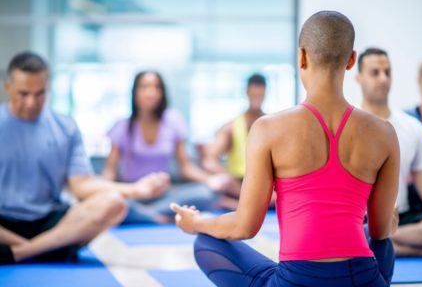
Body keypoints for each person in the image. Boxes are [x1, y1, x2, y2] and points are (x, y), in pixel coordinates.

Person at [171, 11, 399, 287]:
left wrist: (196, 223)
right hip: (363, 280)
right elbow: (381, 231)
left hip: (296, 282)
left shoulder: (268, 129)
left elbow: (244, 226)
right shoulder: (384, 133)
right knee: (381, 240)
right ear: (351, 60)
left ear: (302, 57)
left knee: (205, 242)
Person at [0, 51, 171, 264]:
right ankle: (48, 249)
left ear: (48, 87)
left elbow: (82, 186)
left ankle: (21, 252)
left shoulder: (65, 127)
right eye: (23, 94)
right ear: (8, 87)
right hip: (4, 223)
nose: (31, 102)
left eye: (39, 93)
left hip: (50, 222)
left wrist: (136, 190)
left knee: (114, 203)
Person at [102, 71, 232, 223]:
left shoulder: (173, 121)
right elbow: (110, 170)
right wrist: (103, 190)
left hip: (164, 196)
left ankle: (146, 216)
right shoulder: (122, 126)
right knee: (114, 202)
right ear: (135, 92)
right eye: (144, 87)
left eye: (156, 87)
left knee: (206, 193)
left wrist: (210, 179)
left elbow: (185, 167)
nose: (150, 93)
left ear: (162, 93)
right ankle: (159, 218)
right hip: (133, 195)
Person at [357, 48, 422, 256]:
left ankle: (382, 241)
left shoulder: (412, 127)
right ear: (358, 77)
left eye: (387, 72)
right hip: (359, 217)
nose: (383, 79)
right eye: (375, 73)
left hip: (403, 217)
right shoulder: (346, 125)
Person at [201, 73, 268, 208]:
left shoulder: (272, 125)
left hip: (264, 186)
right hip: (238, 186)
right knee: (214, 191)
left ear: (265, 93)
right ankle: (243, 205)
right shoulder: (231, 128)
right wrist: (225, 176)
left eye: (260, 94)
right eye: (254, 94)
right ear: (247, 92)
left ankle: (248, 206)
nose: (256, 98)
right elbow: (209, 159)